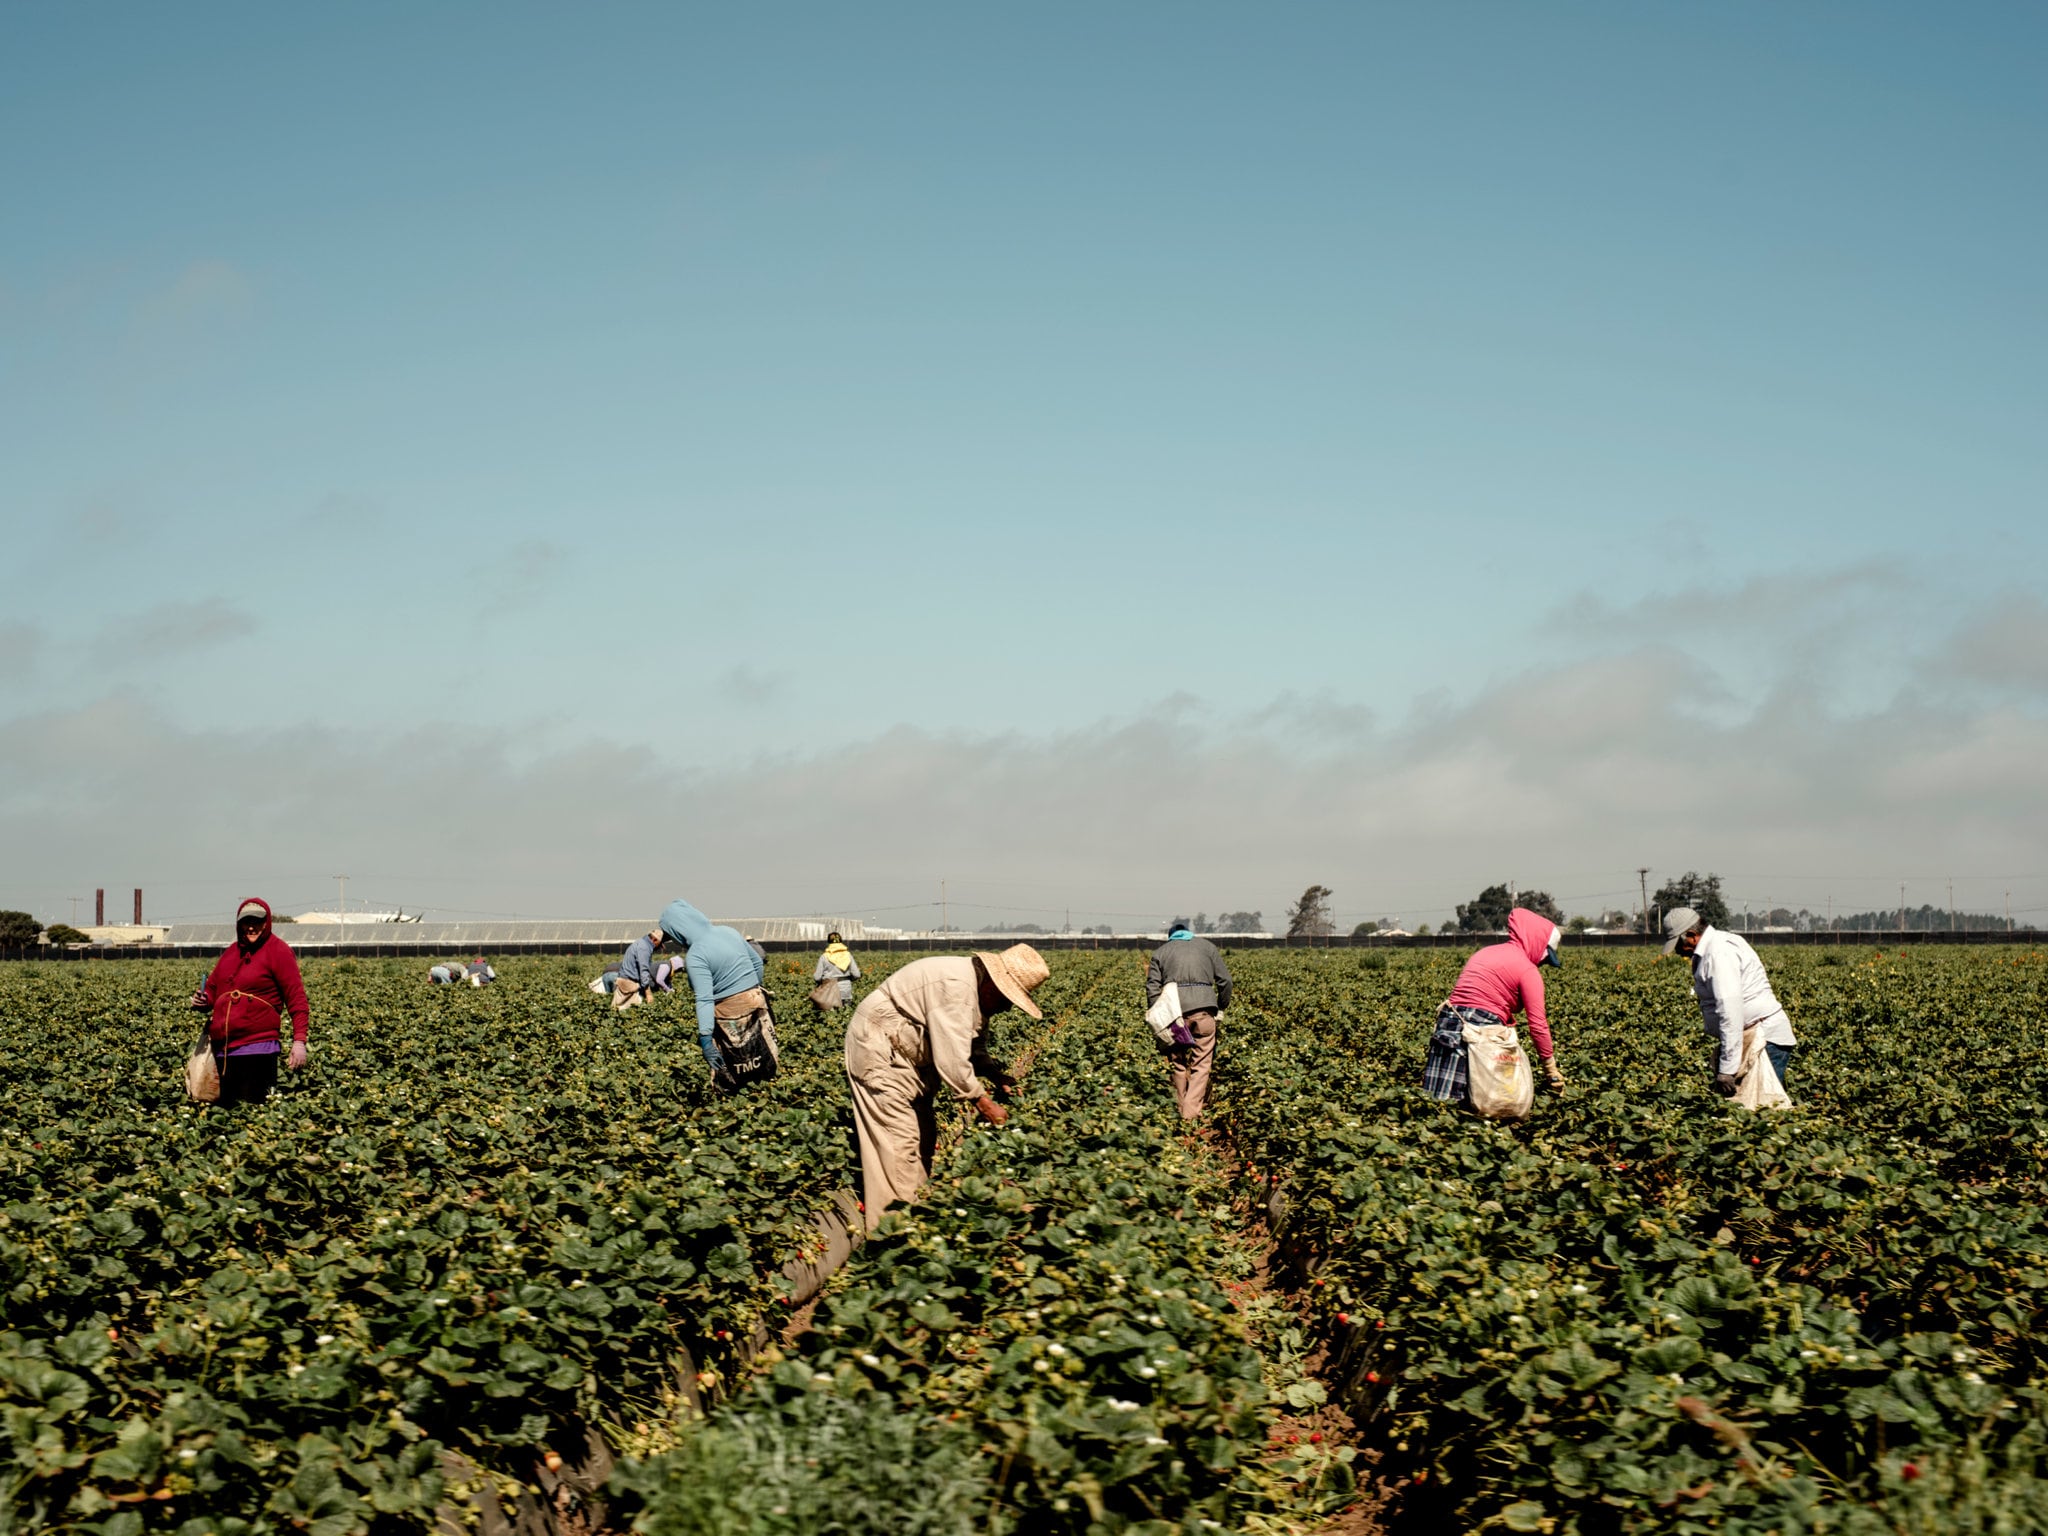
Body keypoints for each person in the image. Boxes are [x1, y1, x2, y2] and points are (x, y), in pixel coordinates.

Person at [843, 943, 1048, 1229]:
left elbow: (972, 1045)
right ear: (994, 984)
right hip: (881, 1050)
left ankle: (918, 1212)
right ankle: (892, 1233)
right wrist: (983, 1102)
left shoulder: (973, 989)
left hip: (909, 1057)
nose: (1007, 1007)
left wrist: (994, 1073)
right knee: (899, 1143)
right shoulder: (956, 988)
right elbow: (952, 1058)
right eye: (1008, 999)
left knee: (925, 1134)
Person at [1422, 907, 1566, 1105]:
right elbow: (1538, 1025)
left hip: (1449, 1024)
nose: (1543, 962)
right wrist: (1550, 1069)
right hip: (1480, 1030)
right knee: (1485, 1102)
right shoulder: (1528, 970)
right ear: (1537, 944)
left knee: (1437, 1102)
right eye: (1545, 957)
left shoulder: (1485, 952)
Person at [1663, 907, 1798, 1097]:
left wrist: (1727, 1070)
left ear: (1692, 935)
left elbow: (1730, 1012)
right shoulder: (1718, 944)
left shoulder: (1719, 954)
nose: (1677, 951)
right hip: (1753, 1037)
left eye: (1678, 944)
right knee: (1753, 1109)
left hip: (1764, 1040)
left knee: (1762, 1110)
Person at [189, 898, 309, 1105]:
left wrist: (299, 1041)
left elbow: (296, 998)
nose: (251, 927)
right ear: (239, 924)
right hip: (224, 1050)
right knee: (227, 1115)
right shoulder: (231, 953)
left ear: (266, 923)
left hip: (257, 1048)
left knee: (253, 1112)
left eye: (257, 921)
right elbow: (212, 989)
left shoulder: (278, 951)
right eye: (246, 922)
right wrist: (203, 1000)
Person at [659, 900, 776, 1089]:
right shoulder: (727, 931)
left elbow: (704, 999)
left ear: (678, 932)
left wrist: (705, 1039)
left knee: (736, 1067)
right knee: (763, 1054)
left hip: (729, 1011)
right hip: (757, 999)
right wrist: (755, 988)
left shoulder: (696, 954)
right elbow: (757, 962)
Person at [1145, 921, 1233, 1120]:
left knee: (1177, 1061)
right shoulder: (1208, 947)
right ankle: (1190, 1113)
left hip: (1175, 1016)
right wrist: (1221, 1005)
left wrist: (1159, 1014)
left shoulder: (1161, 952)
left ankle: (1179, 1106)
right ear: (1188, 934)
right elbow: (1226, 981)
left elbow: (1152, 988)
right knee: (1201, 1064)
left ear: (1171, 937)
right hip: (1203, 1013)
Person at [610, 929, 667, 1011]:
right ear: (654, 940)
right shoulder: (644, 948)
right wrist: (648, 993)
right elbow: (644, 970)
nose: (658, 947)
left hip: (623, 980)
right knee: (632, 1011)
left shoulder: (640, 942)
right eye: (659, 944)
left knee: (617, 1009)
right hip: (629, 983)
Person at [812, 931, 861, 1010]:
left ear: (829, 942)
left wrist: (821, 983)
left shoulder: (824, 957)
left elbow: (817, 977)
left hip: (829, 990)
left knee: (830, 1016)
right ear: (841, 941)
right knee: (846, 1013)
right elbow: (857, 974)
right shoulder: (848, 955)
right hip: (845, 990)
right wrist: (848, 980)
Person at [430, 957, 495, 986]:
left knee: (439, 985)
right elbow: (492, 975)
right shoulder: (486, 965)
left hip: (434, 970)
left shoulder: (471, 965)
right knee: (447, 985)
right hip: (484, 982)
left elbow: (464, 977)